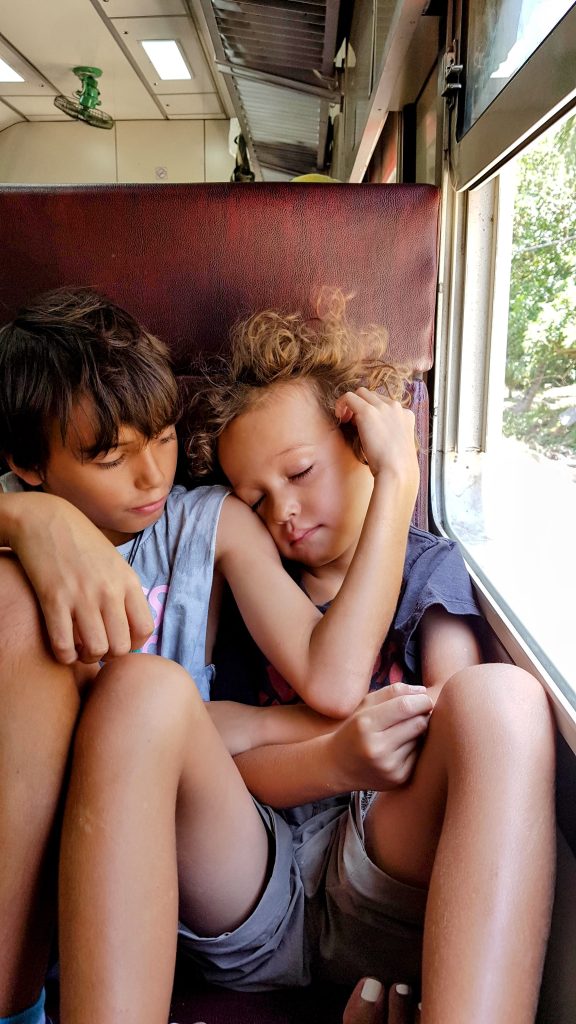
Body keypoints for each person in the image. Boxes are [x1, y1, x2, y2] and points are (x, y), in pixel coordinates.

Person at [0, 291, 555, 1024]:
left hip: (377, 867)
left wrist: (402, 475)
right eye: (256, 496)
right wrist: (331, 753)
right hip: (250, 874)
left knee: (505, 699)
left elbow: (438, 748)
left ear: (363, 442)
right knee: (143, 688)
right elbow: (234, 733)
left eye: (298, 475)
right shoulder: (246, 576)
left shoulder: (414, 570)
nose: (282, 515)